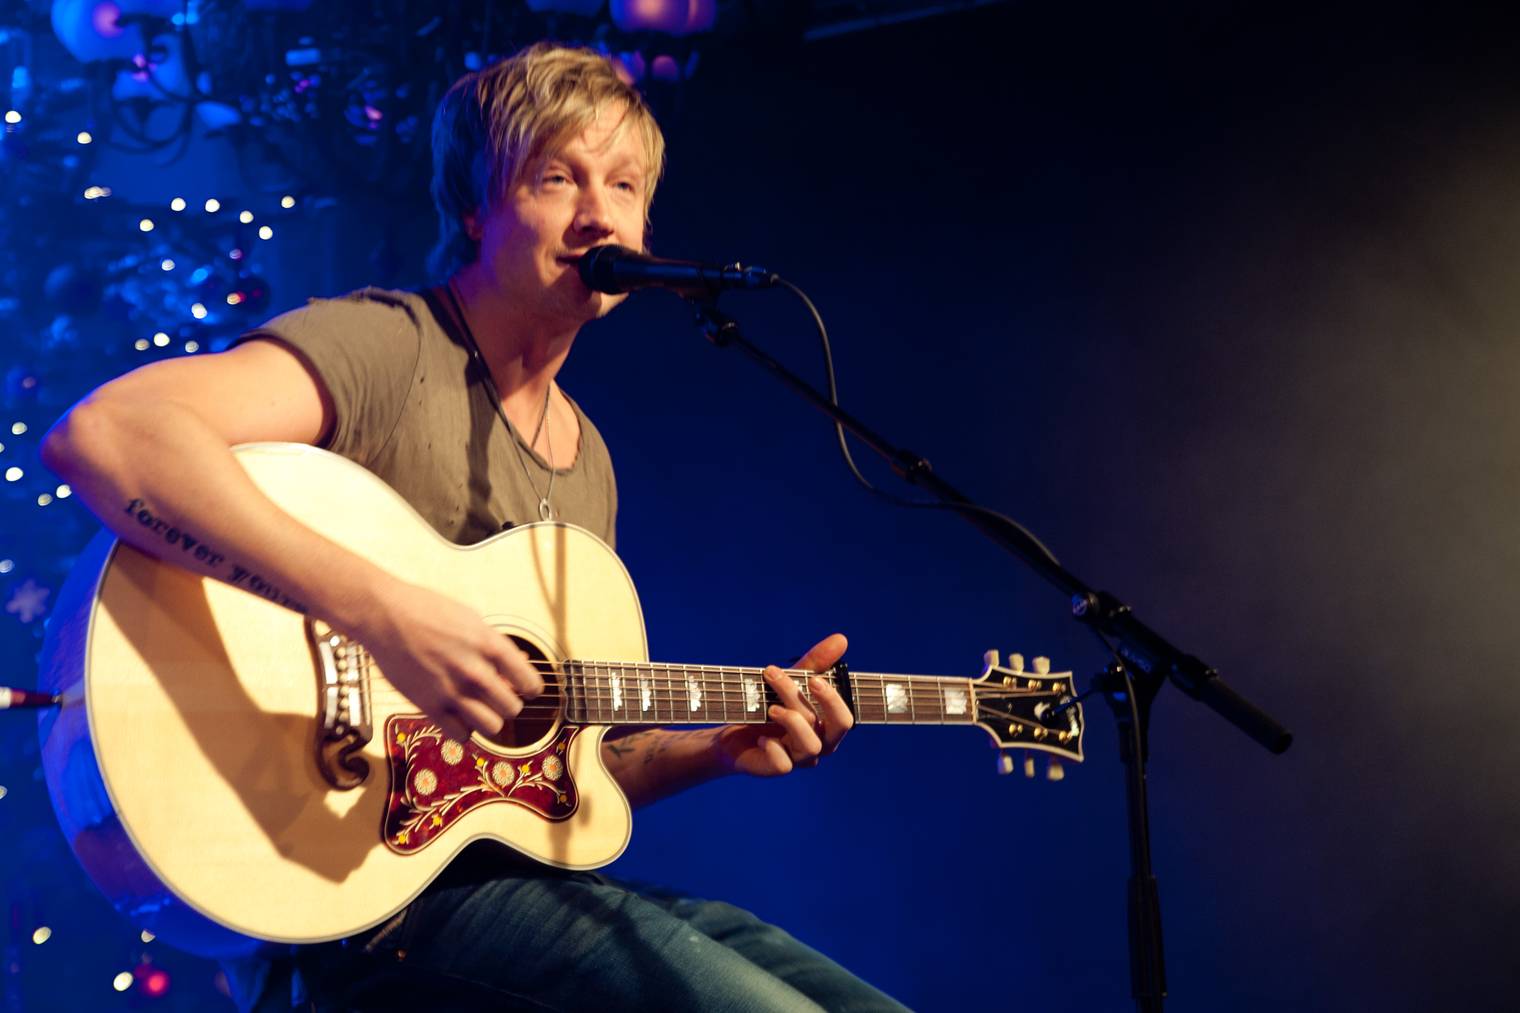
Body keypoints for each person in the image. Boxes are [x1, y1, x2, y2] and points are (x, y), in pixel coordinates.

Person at [42, 43, 910, 1012]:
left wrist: (715, 747)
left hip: (501, 881)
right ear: (473, 207)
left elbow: (552, 770)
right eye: (556, 177)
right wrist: (383, 613)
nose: (599, 213)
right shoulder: (390, 346)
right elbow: (110, 435)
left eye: (623, 184)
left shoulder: (586, 458)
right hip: (351, 907)